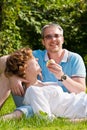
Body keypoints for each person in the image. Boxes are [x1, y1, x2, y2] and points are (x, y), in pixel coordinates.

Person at [0, 23, 86, 117]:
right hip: (34, 100)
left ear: (62, 39)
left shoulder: (74, 59)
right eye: (48, 37)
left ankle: (18, 115)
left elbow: (80, 90)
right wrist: (12, 77)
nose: (53, 39)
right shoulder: (35, 56)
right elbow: (4, 60)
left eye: (57, 36)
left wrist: (62, 76)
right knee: (7, 74)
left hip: (63, 105)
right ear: (43, 42)